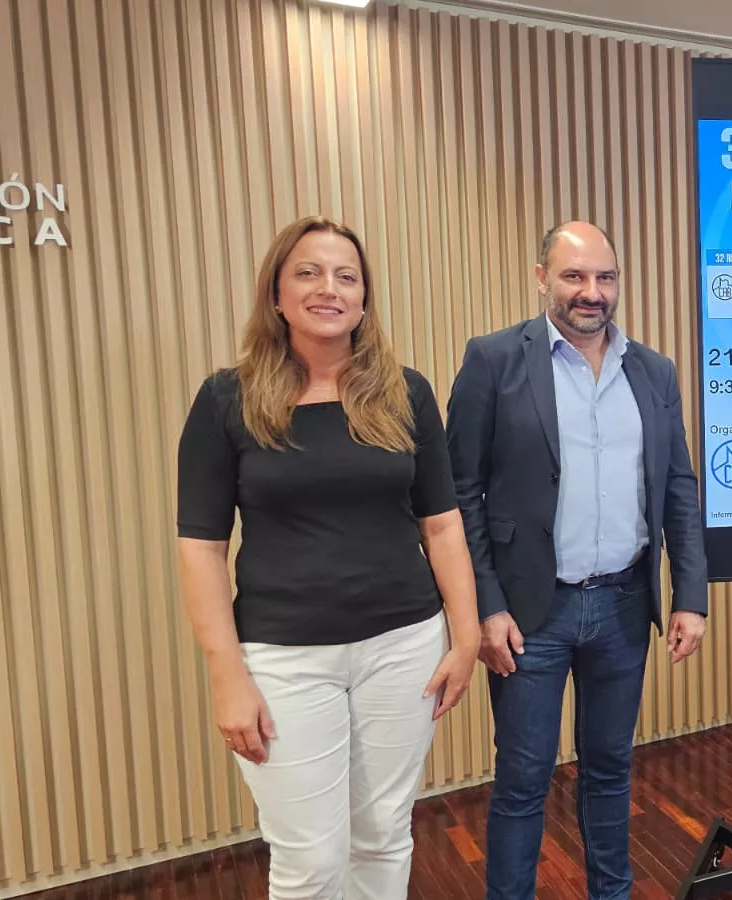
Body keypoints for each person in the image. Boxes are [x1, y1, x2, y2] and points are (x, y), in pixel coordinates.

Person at [175, 215, 481, 899]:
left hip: (403, 645)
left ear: (364, 300)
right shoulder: (228, 399)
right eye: (308, 273)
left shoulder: (405, 392)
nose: (329, 288)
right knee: (310, 862)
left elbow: (442, 525)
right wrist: (228, 677)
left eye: (347, 277)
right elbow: (201, 549)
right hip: (284, 657)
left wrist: (464, 636)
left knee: (382, 839)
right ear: (277, 294)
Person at [445, 220, 709, 900]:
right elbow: (458, 494)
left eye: (605, 277)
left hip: (623, 604)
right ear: (541, 279)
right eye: (574, 276)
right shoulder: (494, 361)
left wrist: (690, 594)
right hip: (532, 613)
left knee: (611, 770)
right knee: (524, 780)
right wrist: (486, 607)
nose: (591, 293)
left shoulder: (652, 371)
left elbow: (677, 484)